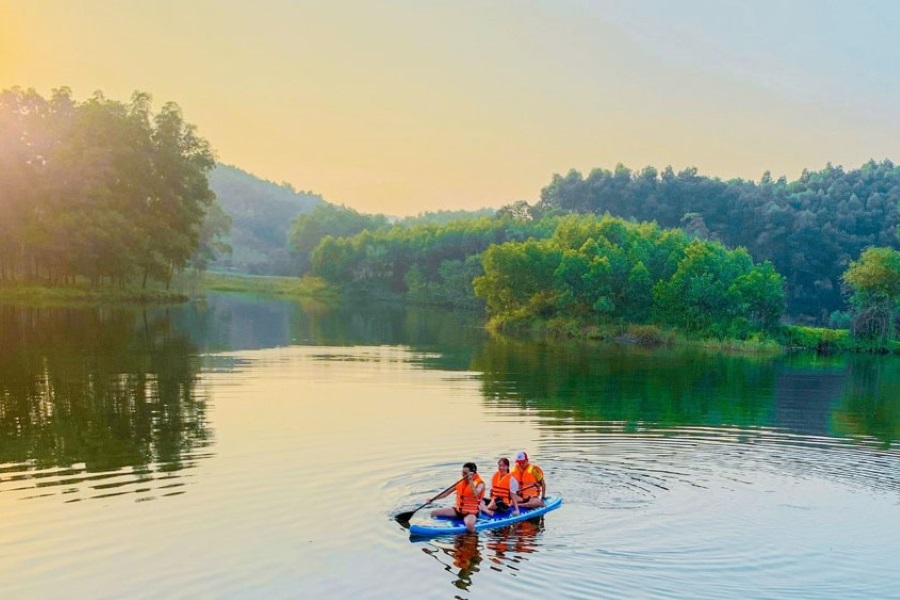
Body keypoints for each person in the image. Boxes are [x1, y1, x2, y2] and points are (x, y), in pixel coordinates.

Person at [430, 462, 485, 532]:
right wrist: (432, 499)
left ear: (472, 473)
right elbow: (446, 493)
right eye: (462, 472)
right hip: (458, 511)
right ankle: (432, 528)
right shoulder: (461, 482)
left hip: (471, 513)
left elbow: (476, 493)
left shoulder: (480, 483)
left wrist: (470, 481)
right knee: (434, 513)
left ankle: (472, 539)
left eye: (465, 473)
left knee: (469, 525)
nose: (463, 475)